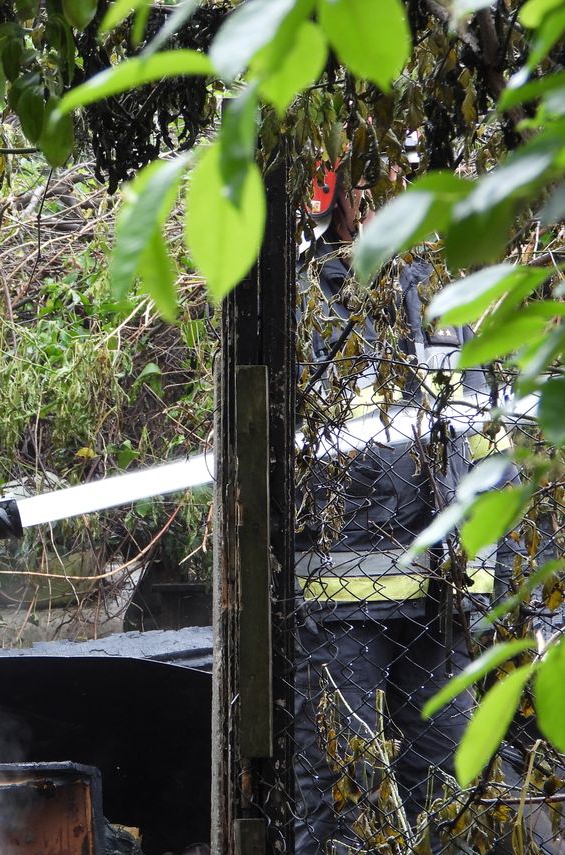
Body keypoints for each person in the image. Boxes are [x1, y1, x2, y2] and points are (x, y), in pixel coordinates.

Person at [291, 163, 508, 853]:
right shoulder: (307, 293)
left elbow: (480, 433)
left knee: (451, 796)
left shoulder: (444, 289)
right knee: (344, 806)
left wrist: (489, 588)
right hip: (341, 600)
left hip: (441, 603)